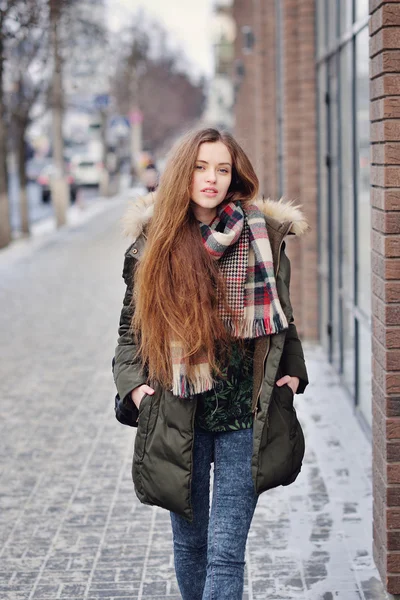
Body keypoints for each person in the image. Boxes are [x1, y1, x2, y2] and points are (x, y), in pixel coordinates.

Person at [113, 128, 309, 600]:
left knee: (226, 551)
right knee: (191, 544)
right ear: (184, 172)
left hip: (246, 412)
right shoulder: (155, 243)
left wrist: (294, 372)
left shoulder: (262, 232)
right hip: (181, 411)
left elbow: (282, 315)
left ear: (234, 175)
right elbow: (129, 331)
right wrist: (136, 388)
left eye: (222, 169)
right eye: (201, 167)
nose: (212, 178)